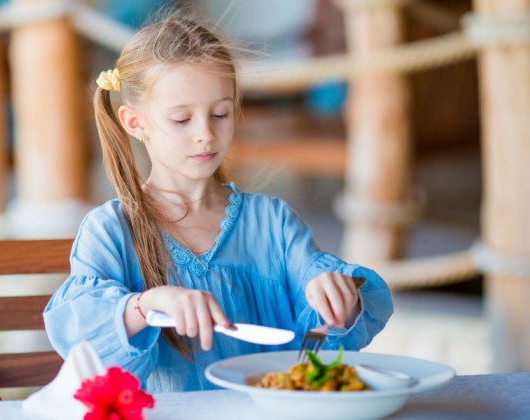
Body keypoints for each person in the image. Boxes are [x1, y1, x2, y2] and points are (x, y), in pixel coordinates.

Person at [43, 10, 393, 393]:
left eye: (220, 114)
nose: (206, 135)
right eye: (181, 120)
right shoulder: (110, 230)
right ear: (134, 122)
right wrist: (146, 305)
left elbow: (332, 320)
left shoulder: (272, 221)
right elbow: (79, 337)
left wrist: (339, 296)